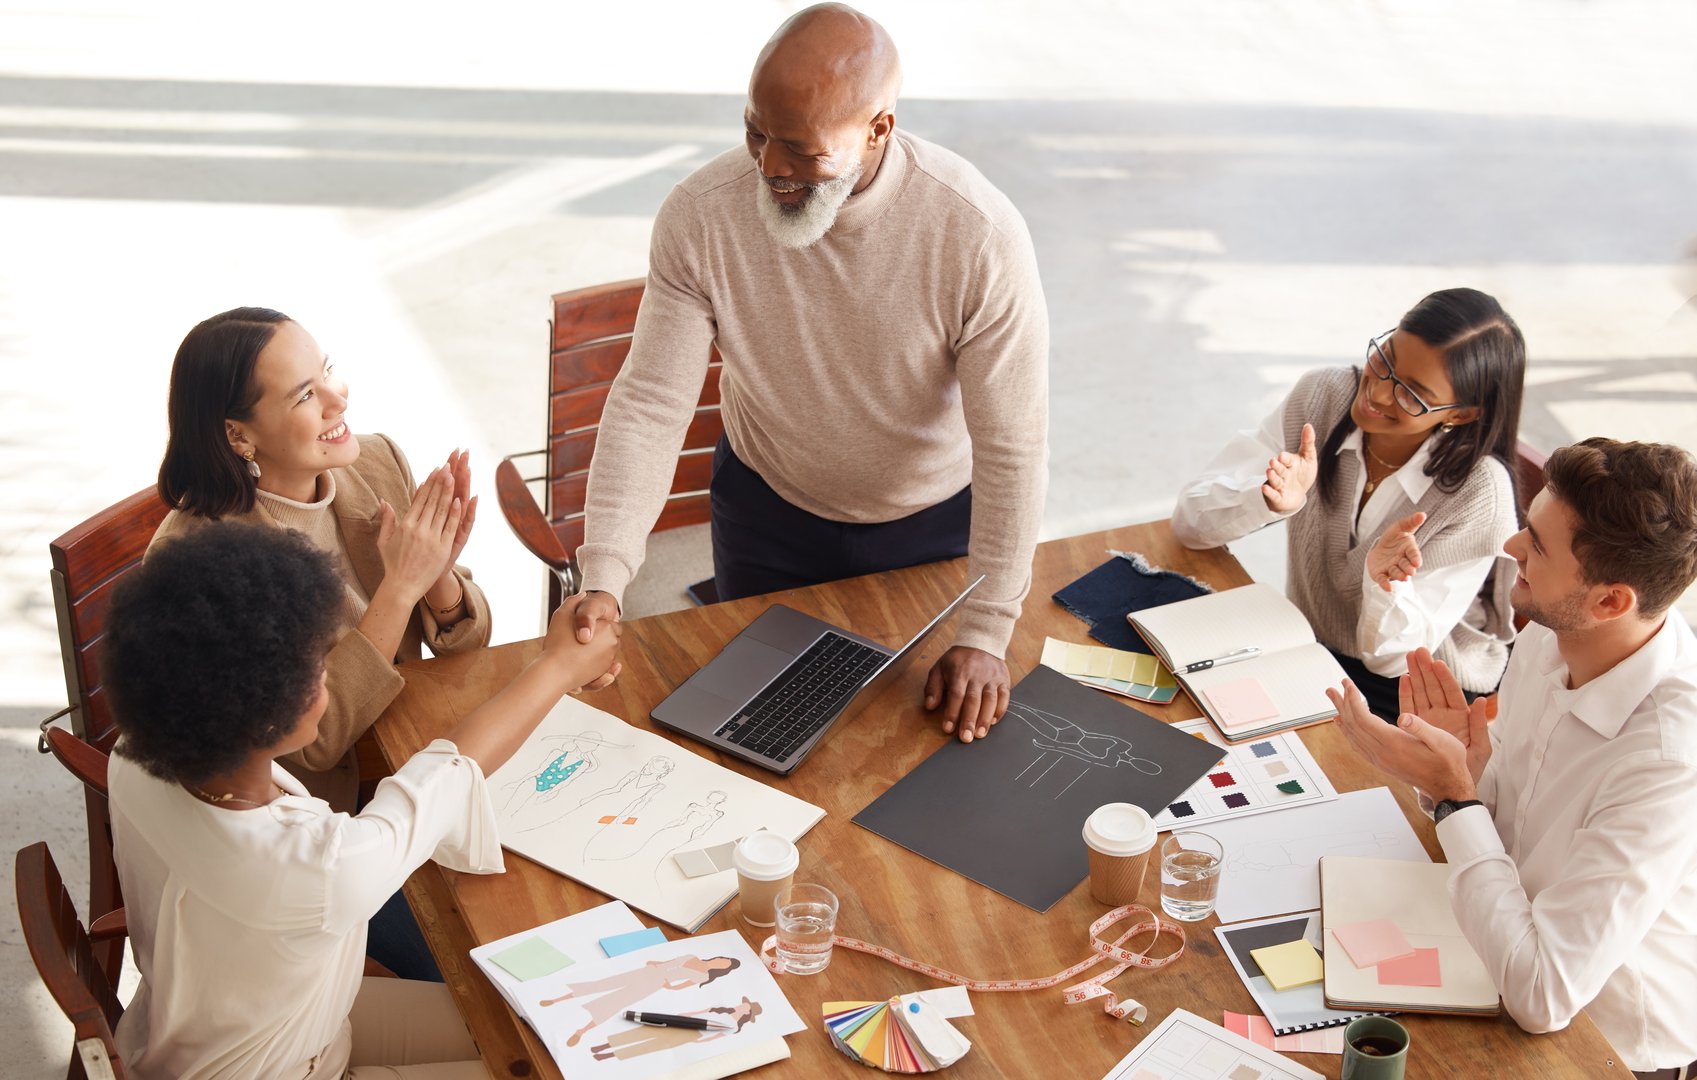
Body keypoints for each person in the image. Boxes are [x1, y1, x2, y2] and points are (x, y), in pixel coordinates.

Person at [570, 3, 1049, 744]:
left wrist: (987, 628)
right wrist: (604, 574)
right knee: (750, 731)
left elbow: (1013, 447)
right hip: (765, 508)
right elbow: (650, 403)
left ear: (878, 129)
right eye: (755, 132)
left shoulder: (978, 236)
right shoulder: (701, 215)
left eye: (800, 148)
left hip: (932, 523)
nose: (769, 167)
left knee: (906, 747)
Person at [103, 522, 622, 1079]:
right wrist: (558, 666)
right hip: (290, 1065)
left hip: (221, 1029)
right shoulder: (321, 867)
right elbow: (447, 771)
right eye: (315, 666)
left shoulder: (135, 754)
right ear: (259, 711)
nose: (328, 673)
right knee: (571, 1060)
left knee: (547, 1026)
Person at [1327, 437, 1697, 1079]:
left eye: (1539, 546)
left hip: (1599, 1044)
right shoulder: (1555, 636)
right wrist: (1463, 773)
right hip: (1491, 938)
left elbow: (1543, 997)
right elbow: (1506, 824)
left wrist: (1456, 800)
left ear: (1611, 602)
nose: (1511, 546)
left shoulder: (1668, 758)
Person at [154, 306, 491, 812]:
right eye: (305, 395)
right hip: (329, 810)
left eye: (327, 371)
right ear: (238, 435)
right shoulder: (200, 563)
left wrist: (437, 573)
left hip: (419, 746)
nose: (339, 400)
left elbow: (470, 648)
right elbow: (317, 744)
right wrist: (401, 588)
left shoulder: (377, 463)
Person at [1172, 288, 1525, 718]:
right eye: (1385, 359)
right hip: (1311, 648)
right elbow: (1188, 526)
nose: (1378, 393)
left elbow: (1393, 660)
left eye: (1412, 395)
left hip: (1418, 685)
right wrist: (1267, 498)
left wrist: (1385, 583)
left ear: (1460, 414)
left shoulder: (1478, 494)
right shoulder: (1323, 396)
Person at [537, 955, 742, 1047]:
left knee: (616, 1003)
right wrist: (655, 962)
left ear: (722, 969)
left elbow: (680, 986)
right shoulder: (693, 955)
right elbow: (669, 961)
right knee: (603, 983)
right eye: (721, 959)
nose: (719, 962)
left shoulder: (703, 976)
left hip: (653, 984)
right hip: (646, 971)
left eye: (723, 964)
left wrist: (668, 985)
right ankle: (555, 1000)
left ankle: (581, 1031)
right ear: (717, 957)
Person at [588, 998, 763, 1061]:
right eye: (744, 1004)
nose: (742, 1006)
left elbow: (716, 1037)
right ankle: (603, 1046)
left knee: (650, 1046)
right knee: (638, 1034)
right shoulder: (723, 1009)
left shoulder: (735, 1025)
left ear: (747, 1013)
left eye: (745, 1008)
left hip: (692, 1035)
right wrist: (687, 1015)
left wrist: (702, 1041)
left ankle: (608, 1055)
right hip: (684, 1022)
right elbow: (702, 1012)